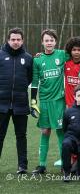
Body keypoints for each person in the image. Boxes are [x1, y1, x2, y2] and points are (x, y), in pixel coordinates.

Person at [31, 29, 80, 174]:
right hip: (44, 100)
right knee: (45, 131)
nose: (49, 43)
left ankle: (65, 163)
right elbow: (34, 82)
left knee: (60, 131)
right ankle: (42, 165)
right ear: (42, 42)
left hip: (58, 100)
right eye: (46, 40)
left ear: (55, 42)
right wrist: (33, 101)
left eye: (51, 40)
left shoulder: (62, 55)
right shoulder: (37, 60)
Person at [0, 28, 33, 174]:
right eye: (13, 39)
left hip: (20, 104)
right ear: (8, 40)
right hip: (1, 105)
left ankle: (22, 166)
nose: (15, 42)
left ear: (22, 41)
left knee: (21, 136)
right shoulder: (0, 55)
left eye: (18, 39)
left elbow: (30, 78)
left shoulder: (28, 58)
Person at [64, 37, 80, 108]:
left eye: (79, 50)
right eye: (74, 50)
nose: (76, 52)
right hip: (70, 104)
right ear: (70, 51)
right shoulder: (66, 64)